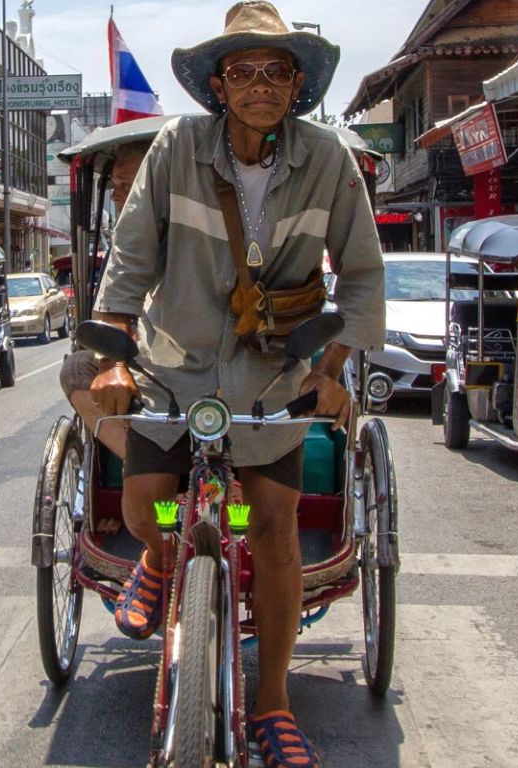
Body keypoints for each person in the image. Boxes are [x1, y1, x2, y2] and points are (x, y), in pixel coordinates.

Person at [88, 4, 383, 764]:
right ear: (218, 85)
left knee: (272, 523)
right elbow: (130, 259)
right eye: (243, 70)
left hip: (273, 377)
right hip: (174, 366)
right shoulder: (175, 148)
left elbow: (360, 275)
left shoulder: (328, 160)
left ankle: (274, 702)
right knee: (149, 507)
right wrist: (115, 354)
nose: (260, 84)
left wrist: (330, 372)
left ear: (297, 84)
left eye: (276, 69)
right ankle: (161, 560)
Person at [59, 140, 149, 458]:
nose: (115, 195)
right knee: (76, 369)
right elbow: (105, 313)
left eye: (125, 185)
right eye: (114, 185)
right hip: (136, 352)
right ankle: (136, 458)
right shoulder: (122, 242)